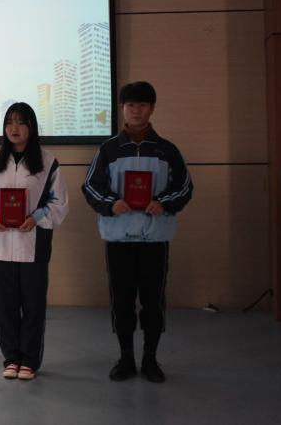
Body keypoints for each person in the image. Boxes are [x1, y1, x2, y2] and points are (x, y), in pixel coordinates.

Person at [82, 81, 193, 384]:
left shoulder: (167, 150)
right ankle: (126, 357)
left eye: (142, 104)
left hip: (155, 238)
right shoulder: (108, 149)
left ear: (152, 108)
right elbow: (91, 186)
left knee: (153, 300)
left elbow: (184, 187)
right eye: (130, 105)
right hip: (118, 237)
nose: (136, 110)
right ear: (122, 109)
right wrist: (111, 203)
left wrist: (163, 202)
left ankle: (150, 358)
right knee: (122, 300)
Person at [0, 102, 68, 381]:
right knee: (5, 306)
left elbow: (59, 202)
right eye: (9, 122)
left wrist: (36, 217)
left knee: (34, 305)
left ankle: (30, 360)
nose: (14, 128)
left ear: (32, 127)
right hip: (1, 245)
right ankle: (11, 357)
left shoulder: (47, 162)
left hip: (33, 244)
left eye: (21, 122)